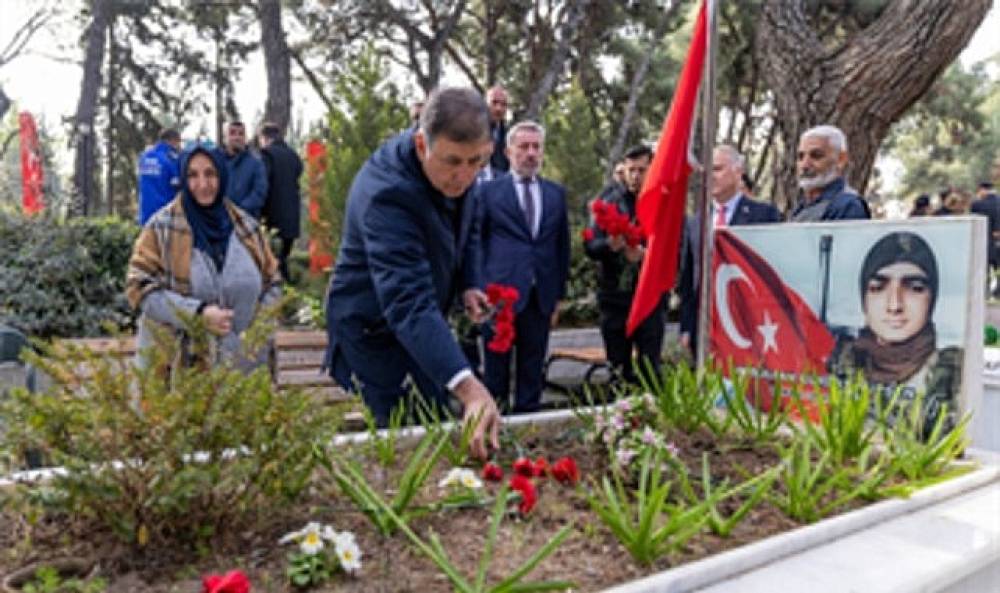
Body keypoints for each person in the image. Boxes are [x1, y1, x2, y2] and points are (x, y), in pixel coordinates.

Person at [323, 86, 500, 460]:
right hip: (375, 334)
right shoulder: (386, 195)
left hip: (422, 324)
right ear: (422, 145)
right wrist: (470, 389)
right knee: (403, 449)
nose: (464, 176)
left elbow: (467, 225)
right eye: (453, 162)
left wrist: (468, 283)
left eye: (477, 162)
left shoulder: (457, 168)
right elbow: (407, 302)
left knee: (438, 425)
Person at [126, 145, 282, 371]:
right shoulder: (161, 229)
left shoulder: (247, 228)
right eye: (192, 175)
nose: (203, 184)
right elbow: (138, 288)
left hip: (244, 376)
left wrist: (257, 332)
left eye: (210, 174)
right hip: (182, 376)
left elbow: (273, 281)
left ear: (222, 175)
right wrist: (197, 314)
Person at [476, 121, 570, 414]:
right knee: (496, 371)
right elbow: (476, 243)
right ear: (508, 152)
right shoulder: (488, 193)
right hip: (499, 298)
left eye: (536, 147)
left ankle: (529, 425)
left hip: (540, 295)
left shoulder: (555, 194)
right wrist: (477, 288)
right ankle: (494, 424)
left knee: (532, 367)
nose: (530, 153)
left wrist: (558, 296)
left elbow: (561, 247)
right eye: (524, 147)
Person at [829, 231, 961, 434]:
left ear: (932, 300)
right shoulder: (841, 365)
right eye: (877, 288)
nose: (894, 305)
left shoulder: (951, 374)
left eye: (915, 288)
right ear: (864, 300)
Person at [678, 145, 782, 356]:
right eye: (707, 171)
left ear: (738, 171)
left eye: (717, 169)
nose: (711, 176)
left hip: (751, 325)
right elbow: (688, 279)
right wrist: (686, 326)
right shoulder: (696, 221)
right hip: (705, 326)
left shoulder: (764, 215)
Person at [583, 144, 662, 384]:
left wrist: (646, 255)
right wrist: (610, 245)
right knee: (618, 370)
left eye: (641, 170)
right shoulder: (609, 201)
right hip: (615, 298)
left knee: (649, 369)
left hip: (649, 298)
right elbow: (590, 246)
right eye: (631, 170)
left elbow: (674, 248)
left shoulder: (663, 201)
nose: (635, 176)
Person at [790, 125, 871, 221]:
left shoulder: (848, 206)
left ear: (840, 160)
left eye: (816, 156)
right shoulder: (801, 208)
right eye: (800, 157)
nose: (805, 165)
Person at [258, 122, 305, 283]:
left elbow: (263, 182)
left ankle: (281, 289)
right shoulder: (293, 155)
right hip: (292, 216)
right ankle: (288, 286)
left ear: (264, 137)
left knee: (273, 260)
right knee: (283, 257)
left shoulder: (267, 154)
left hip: (273, 216)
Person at [224, 121, 268, 219]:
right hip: (219, 220)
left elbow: (259, 193)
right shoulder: (216, 161)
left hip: (246, 220)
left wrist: (238, 210)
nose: (237, 137)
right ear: (225, 137)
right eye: (232, 133)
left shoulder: (256, 163)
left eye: (241, 134)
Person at [137, 128, 181, 225]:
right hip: (164, 216)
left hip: (145, 215)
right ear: (173, 140)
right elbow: (179, 184)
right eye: (178, 142)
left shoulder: (144, 156)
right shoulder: (171, 159)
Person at [970, 181, 1000, 296]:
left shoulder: (977, 204)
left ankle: (984, 292)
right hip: (997, 241)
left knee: (983, 270)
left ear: (982, 190)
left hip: (984, 242)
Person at [484, 85, 510, 179]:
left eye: (503, 104)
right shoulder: (471, 130)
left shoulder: (509, 135)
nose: (498, 108)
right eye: (494, 102)